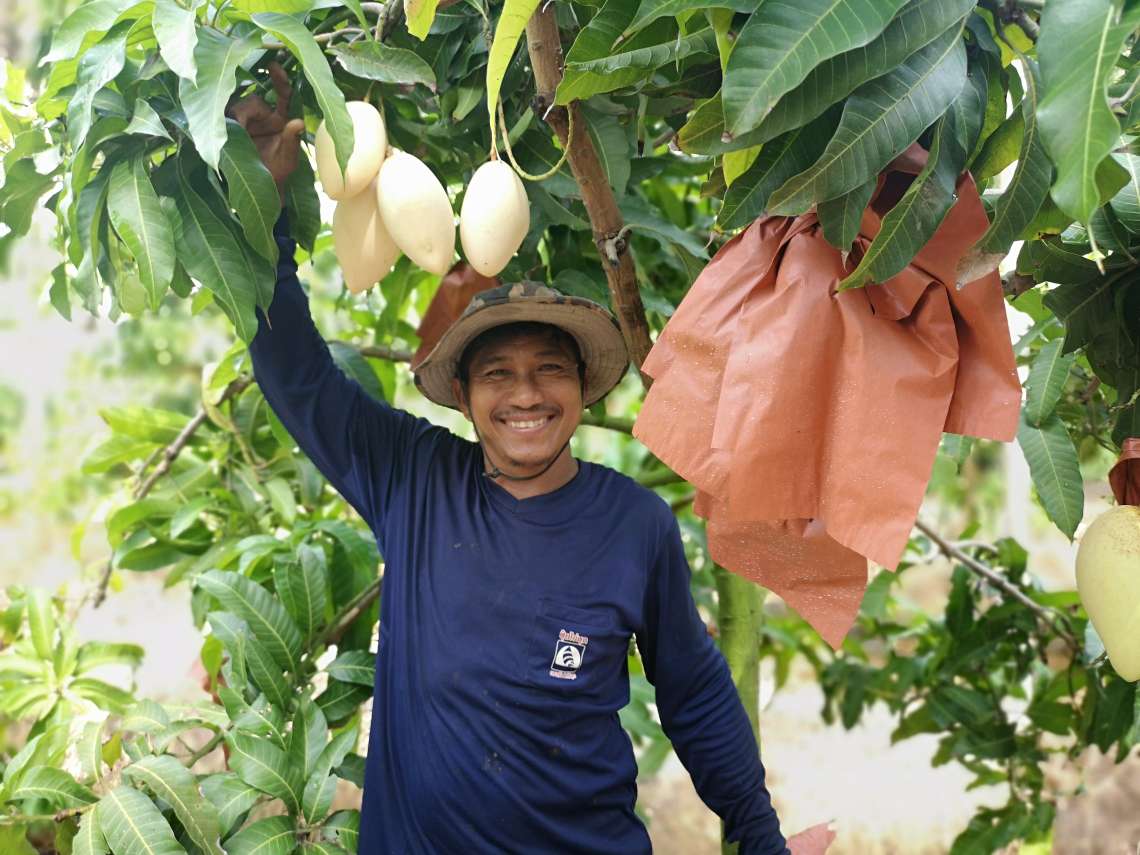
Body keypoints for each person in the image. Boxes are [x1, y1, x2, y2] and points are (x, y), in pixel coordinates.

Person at [231, 65, 827, 855]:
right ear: (468, 395)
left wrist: (761, 837)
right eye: (497, 373)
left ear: (581, 387)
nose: (525, 395)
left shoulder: (634, 523)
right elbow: (295, 371)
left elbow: (693, 690)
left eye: (549, 368)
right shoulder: (414, 478)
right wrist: (263, 212)